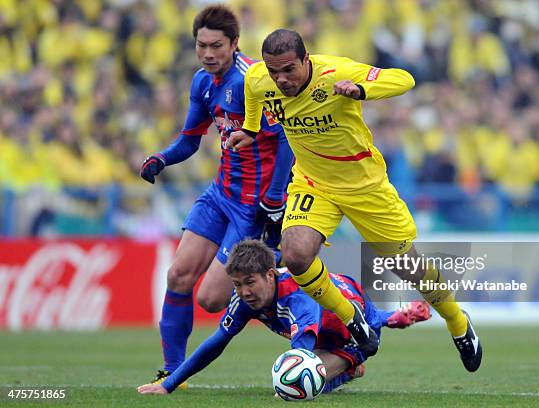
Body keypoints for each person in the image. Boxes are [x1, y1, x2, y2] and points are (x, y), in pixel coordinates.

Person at [227, 29, 482, 371]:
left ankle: (457, 321)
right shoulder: (260, 78)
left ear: (307, 59)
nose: (281, 79)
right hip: (313, 182)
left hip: (363, 184)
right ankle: (353, 317)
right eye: (275, 72)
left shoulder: (337, 73)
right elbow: (254, 92)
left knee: (410, 268)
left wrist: (361, 90)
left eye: (289, 70)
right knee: (295, 254)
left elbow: (404, 79)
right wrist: (253, 129)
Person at [139, 6, 293, 386]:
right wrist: (162, 157)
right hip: (220, 193)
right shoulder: (202, 82)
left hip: (251, 205)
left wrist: (274, 198)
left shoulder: (254, 80)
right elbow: (190, 140)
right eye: (201, 45)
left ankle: (309, 323)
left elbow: (288, 139)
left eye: (216, 45)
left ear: (234, 44)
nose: (208, 53)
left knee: (210, 299)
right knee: (177, 275)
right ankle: (174, 371)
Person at [137, 240, 431, 395]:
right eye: (237, 285)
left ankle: (351, 366)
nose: (244, 292)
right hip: (339, 307)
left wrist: (289, 388)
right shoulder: (245, 299)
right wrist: (168, 384)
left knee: (298, 386)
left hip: (356, 338)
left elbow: (301, 353)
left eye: (249, 282)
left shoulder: (299, 299)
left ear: (269, 274)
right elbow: (216, 343)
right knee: (299, 379)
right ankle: (395, 318)